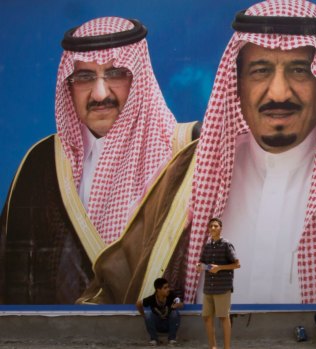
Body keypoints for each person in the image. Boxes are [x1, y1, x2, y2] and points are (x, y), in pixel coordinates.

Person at [126, 0, 316, 305]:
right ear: (237, 84)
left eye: (300, 70)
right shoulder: (189, 180)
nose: (279, 93)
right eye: (260, 71)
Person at [0, 17, 199, 304]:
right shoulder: (40, 163)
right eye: (84, 77)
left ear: (139, 77)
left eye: (116, 73)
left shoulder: (191, 153)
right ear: (68, 86)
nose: (100, 93)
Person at [197, 218, 239, 349]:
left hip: (222, 288)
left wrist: (219, 267)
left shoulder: (226, 244)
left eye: (215, 226)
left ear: (221, 228)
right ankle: (213, 347)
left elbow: (237, 264)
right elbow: (202, 262)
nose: (213, 228)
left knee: (223, 318)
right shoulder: (207, 246)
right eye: (211, 226)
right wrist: (200, 266)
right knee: (207, 318)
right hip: (208, 288)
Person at [136, 278, 183, 346]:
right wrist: (143, 315)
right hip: (157, 325)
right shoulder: (152, 299)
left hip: (169, 324)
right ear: (158, 290)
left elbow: (181, 303)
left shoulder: (171, 295)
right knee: (148, 314)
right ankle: (154, 340)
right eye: (165, 288)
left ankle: (172, 339)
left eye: (168, 287)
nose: (168, 289)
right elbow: (138, 303)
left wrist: (177, 305)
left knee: (174, 313)